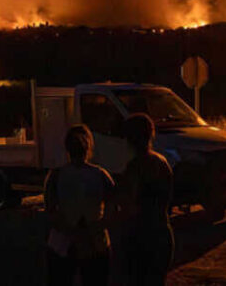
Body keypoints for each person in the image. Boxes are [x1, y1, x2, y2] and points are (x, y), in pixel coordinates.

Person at [44, 124, 116, 286]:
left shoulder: (55, 176)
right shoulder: (101, 175)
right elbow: (112, 212)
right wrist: (90, 231)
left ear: (67, 148)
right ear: (89, 147)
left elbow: (51, 212)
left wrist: (72, 232)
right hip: (96, 243)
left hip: (61, 245)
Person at [121, 113, 174, 286]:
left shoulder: (134, 168)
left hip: (141, 238)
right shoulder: (162, 163)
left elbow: (131, 205)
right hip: (162, 234)